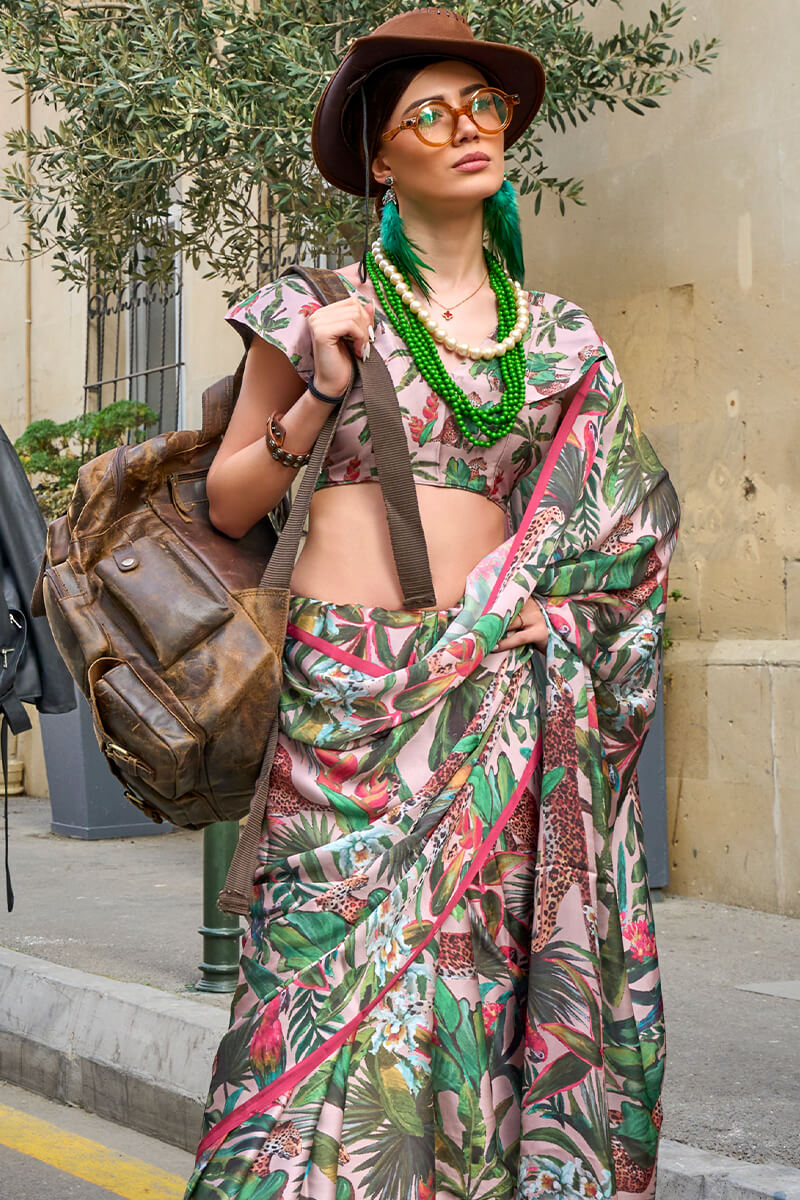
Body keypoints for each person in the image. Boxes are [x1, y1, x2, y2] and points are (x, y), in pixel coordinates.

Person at [185, 10, 679, 1200]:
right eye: (433, 113)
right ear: (379, 156)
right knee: (312, 996)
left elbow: (619, 529)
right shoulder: (315, 303)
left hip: (489, 698)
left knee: (463, 990)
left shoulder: (557, 339)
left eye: (485, 108)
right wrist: (317, 388)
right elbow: (228, 501)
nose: (469, 129)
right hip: (339, 705)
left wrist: (555, 616)